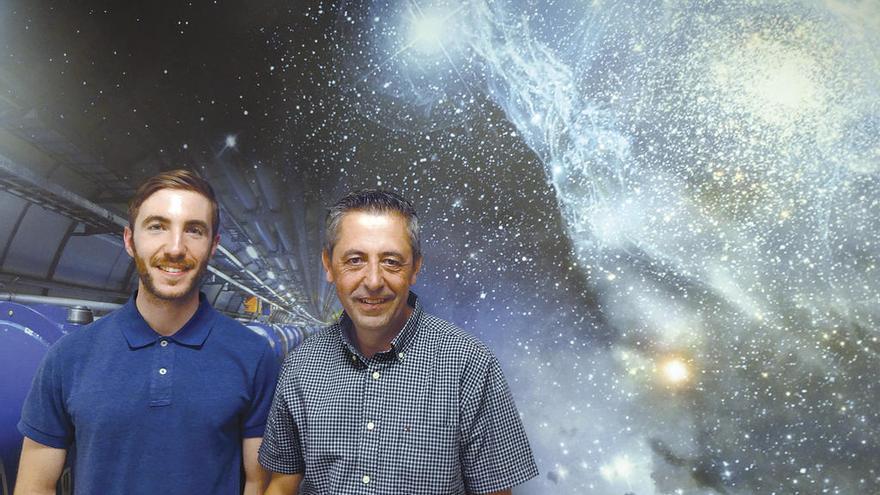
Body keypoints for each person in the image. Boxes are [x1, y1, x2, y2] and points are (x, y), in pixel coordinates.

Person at [15, 169, 279, 494]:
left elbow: (259, 483)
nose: (175, 247)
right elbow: (34, 485)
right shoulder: (69, 356)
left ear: (213, 246)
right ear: (130, 240)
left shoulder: (253, 356)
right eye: (157, 227)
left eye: (194, 231)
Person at [259, 189, 538, 494]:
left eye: (391, 261)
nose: (374, 280)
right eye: (355, 260)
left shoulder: (469, 366)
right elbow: (282, 484)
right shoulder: (301, 366)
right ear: (328, 265)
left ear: (415, 267)